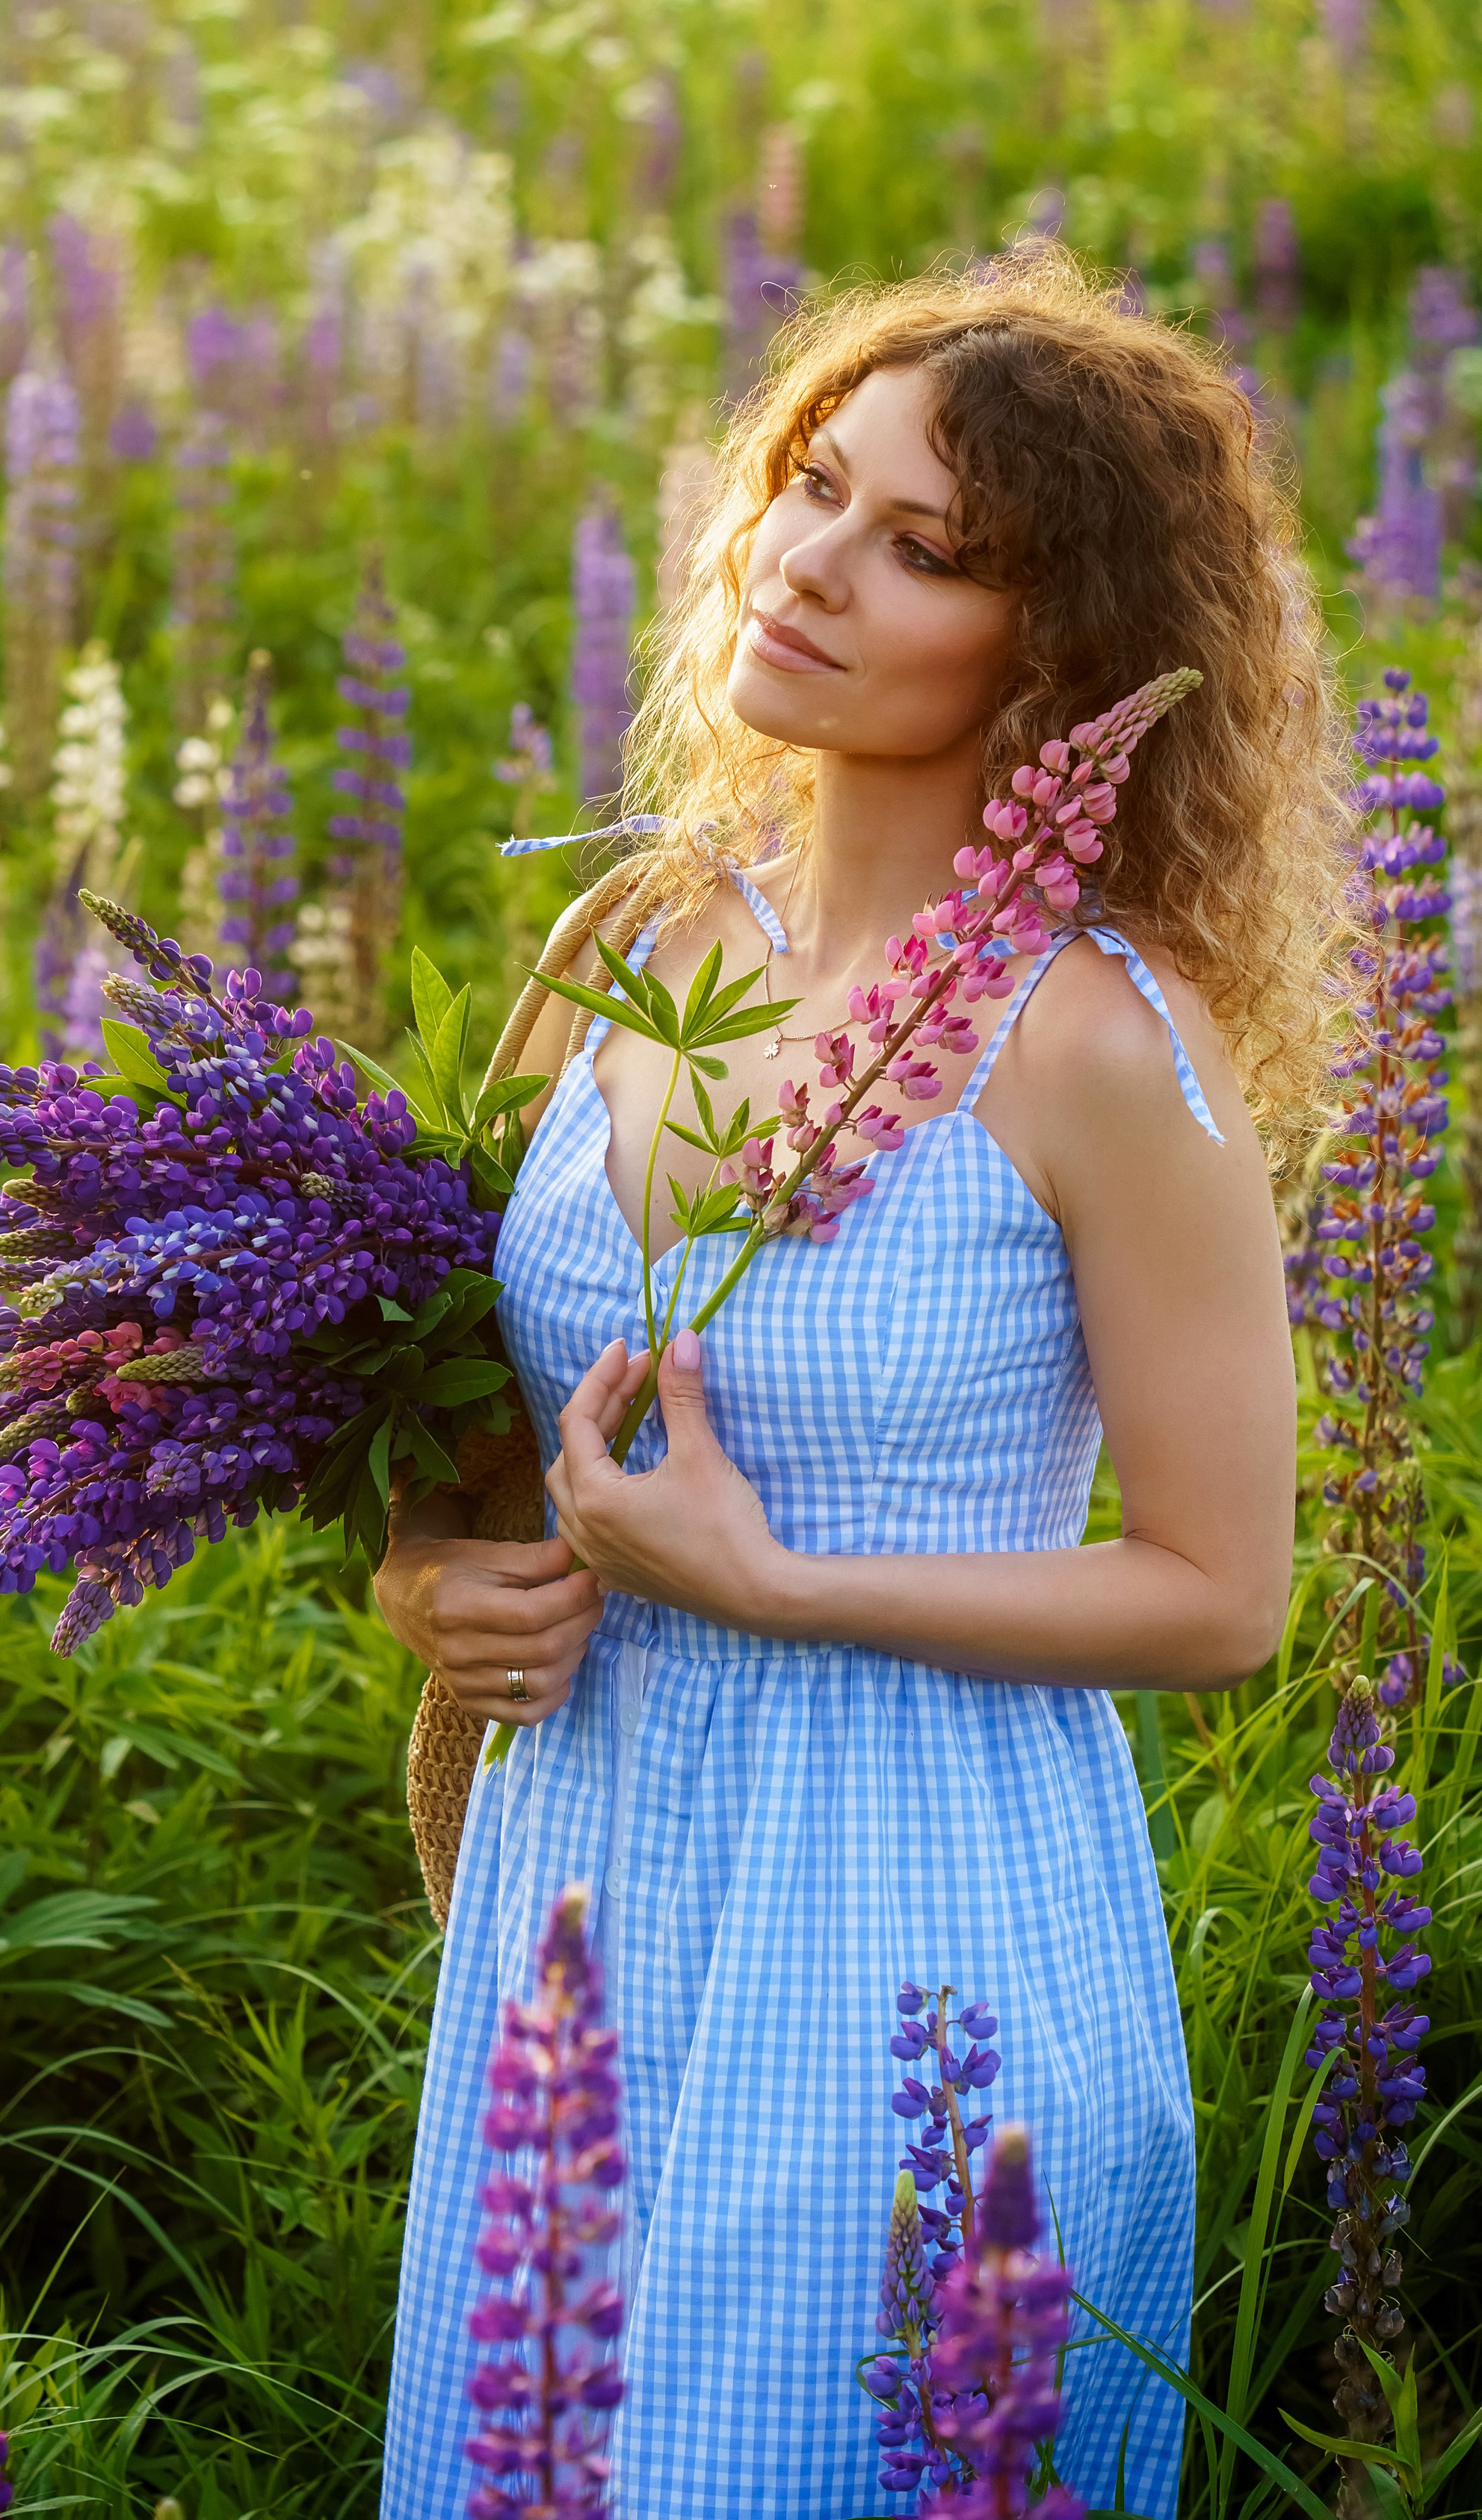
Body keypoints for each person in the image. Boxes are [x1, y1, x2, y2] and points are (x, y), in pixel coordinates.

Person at [374, 250, 1341, 2519]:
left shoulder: (1101, 1043)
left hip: (913, 1923)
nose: (812, 563)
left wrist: (784, 1583)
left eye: (927, 550)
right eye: (815, 488)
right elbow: (469, 1375)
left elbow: (1223, 1594)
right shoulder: (633, 930)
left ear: (1062, 651)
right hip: (588, 1884)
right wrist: (434, 1566)